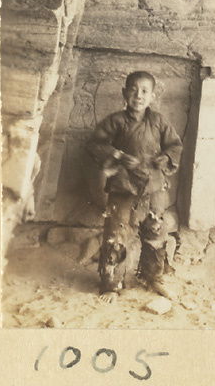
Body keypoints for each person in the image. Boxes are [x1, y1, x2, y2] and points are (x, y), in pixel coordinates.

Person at [86, 71, 183, 303]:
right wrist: (117, 155)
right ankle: (111, 285)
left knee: (156, 231)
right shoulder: (116, 121)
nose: (138, 95)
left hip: (154, 186)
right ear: (124, 93)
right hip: (124, 187)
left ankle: (153, 277)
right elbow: (95, 144)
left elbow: (174, 145)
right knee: (117, 234)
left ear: (152, 96)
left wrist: (166, 158)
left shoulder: (159, 121)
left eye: (144, 91)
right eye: (133, 90)